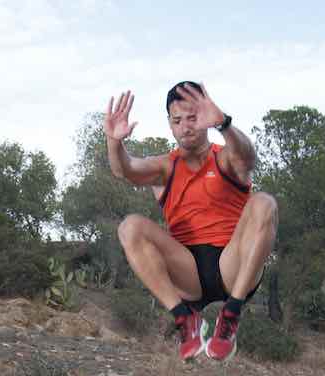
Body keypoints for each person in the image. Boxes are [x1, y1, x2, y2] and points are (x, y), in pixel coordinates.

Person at [106, 81, 278, 361]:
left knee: (265, 203)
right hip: (188, 272)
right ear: (170, 124)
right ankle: (184, 319)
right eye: (177, 120)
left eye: (193, 118)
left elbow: (247, 159)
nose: (186, 126)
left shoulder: (224, 158)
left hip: (232, 267)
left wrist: (224, 125)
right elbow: (124, 170)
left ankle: (231, 315)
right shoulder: (165, 167)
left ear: (206, 117)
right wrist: (115, 141)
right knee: (130, 226)